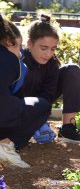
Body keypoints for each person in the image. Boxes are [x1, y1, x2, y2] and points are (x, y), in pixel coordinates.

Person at [16, 15, 80, 143]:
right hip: (16, 107)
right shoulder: (17, 60)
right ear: (29, 44)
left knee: (72, 70)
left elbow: (48, 96)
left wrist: (40, 119)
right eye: (43, 48)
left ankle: (68, 128)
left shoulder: (51, 64)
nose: (48, 54)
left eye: (53, 49)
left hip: (41, 103)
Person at [0, 16, 51, 168]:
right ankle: (5, 146)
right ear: (9, 41)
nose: (20, 53)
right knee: (41, 105)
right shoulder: (9, 59)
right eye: (18, 47)